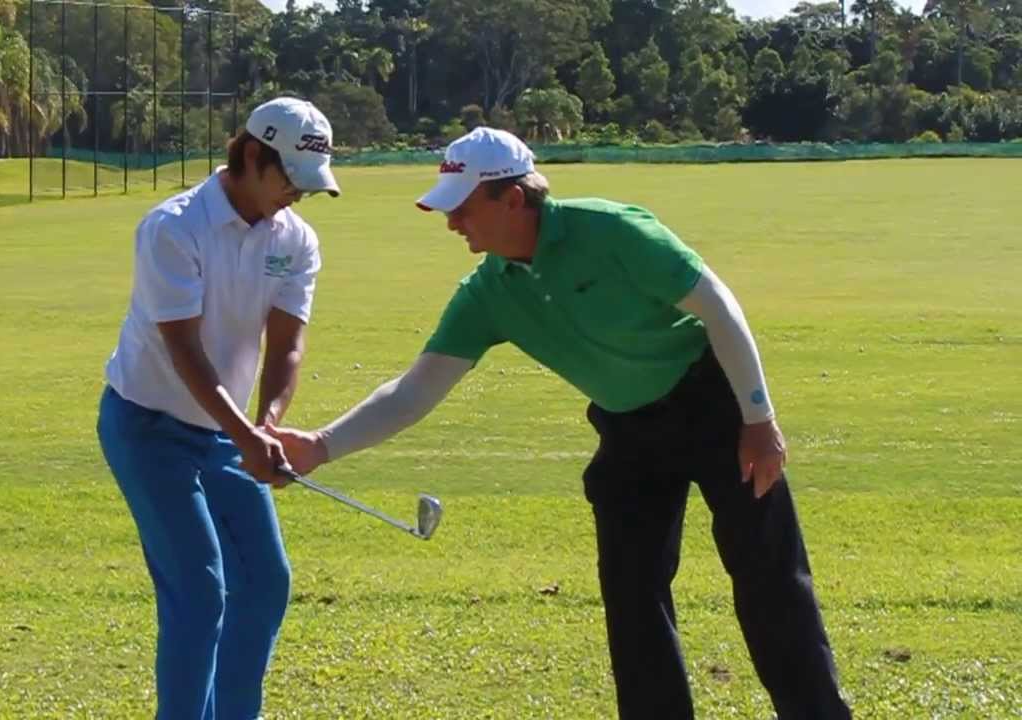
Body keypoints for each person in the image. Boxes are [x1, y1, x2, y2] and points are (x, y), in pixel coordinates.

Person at [267, 127, 852, 719]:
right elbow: (415, 390)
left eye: (463, 209)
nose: (452, 224)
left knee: (767, 576)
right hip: (628, 429)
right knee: (631, 593)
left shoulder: (613, 230)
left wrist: (759, 418)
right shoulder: (488, 292)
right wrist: (320, 446)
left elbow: (717, 306)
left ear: (513, 199)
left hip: (715, 406)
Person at [96, 97, 340, 720]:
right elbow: (185, 354)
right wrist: (245, 435)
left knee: (264, 582)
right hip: (148, 425)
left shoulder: (297, 239)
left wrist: (270, 425)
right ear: (252, 156)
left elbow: (286, 345)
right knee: (200, 594)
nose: (297, 196)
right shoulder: (173, 227)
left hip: (226, 432)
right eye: (289, 179)